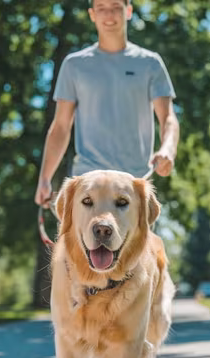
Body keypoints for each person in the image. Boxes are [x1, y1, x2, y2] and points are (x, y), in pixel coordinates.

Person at [34, 0, 180, 210]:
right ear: (92, 14)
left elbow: (168, 118)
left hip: (134, 185)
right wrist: (45, 178)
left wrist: (168, 149)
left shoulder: (150, 63)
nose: (109, 15)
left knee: (139, 244)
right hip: (88, 184)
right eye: (101, 8)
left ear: (128, 11)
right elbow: (61, 127)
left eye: (115, 7)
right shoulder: (74, 65)